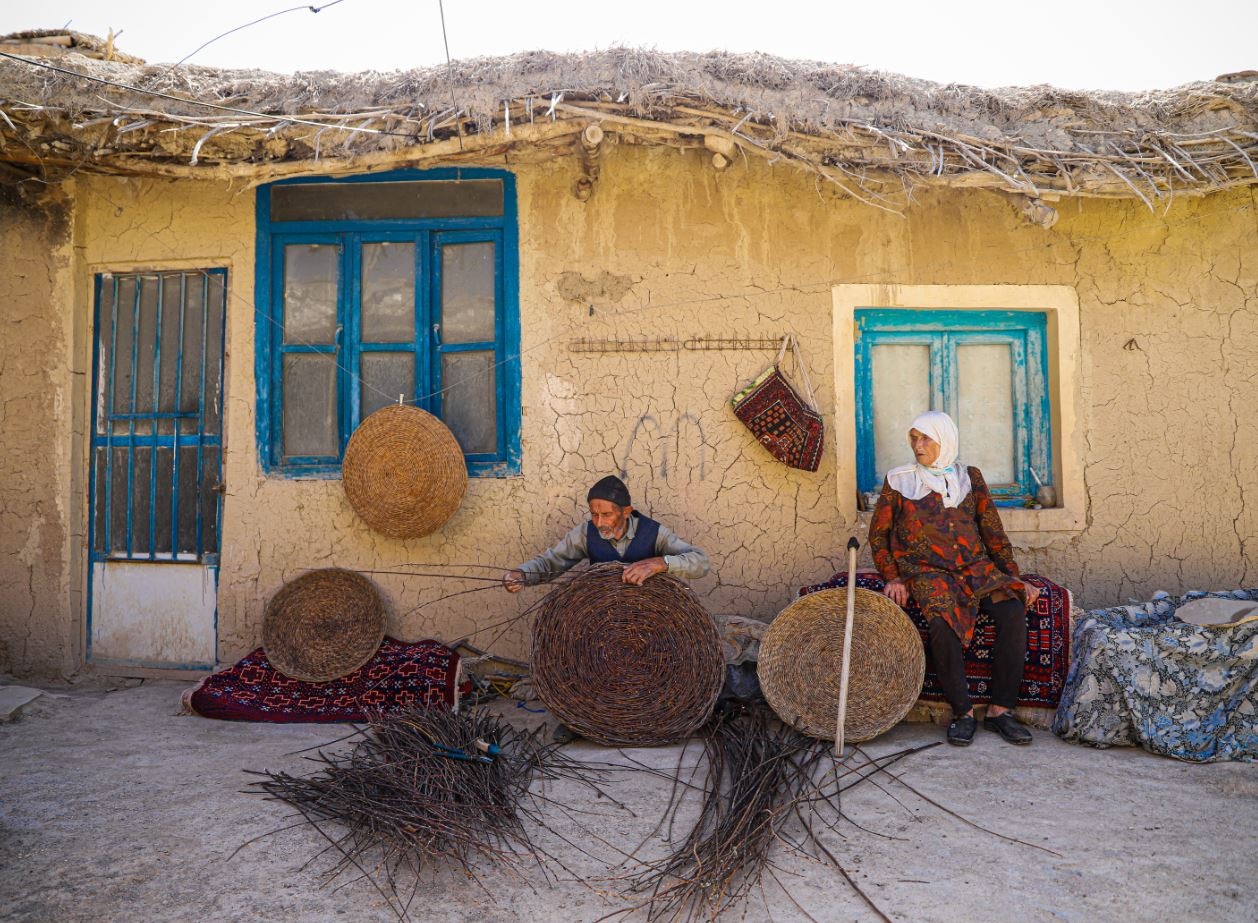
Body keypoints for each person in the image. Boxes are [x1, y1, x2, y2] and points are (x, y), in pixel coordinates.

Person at [868, 411, 1041, 747]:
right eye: (914, 438)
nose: (918, 445)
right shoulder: (899, 480)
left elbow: (994, 535)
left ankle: (999, 711)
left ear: (944, 441)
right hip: (927, 570)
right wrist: (894, 577)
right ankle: (962, 713)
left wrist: (1014, 579)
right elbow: (879, 536)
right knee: (942, 623)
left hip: (974, 567)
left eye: (925, 438)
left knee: (1012, 612)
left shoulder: (970, 477)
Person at [503, 475, 710, 591]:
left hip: (650, 623)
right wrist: (521, 574)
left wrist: (659, 564)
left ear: (626, 512)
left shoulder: (653, 532)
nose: (599, 522)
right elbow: (551, 562)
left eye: (607, 514)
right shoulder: (586, 532)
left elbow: (700, 562)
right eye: (594, 514)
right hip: (602, 621)